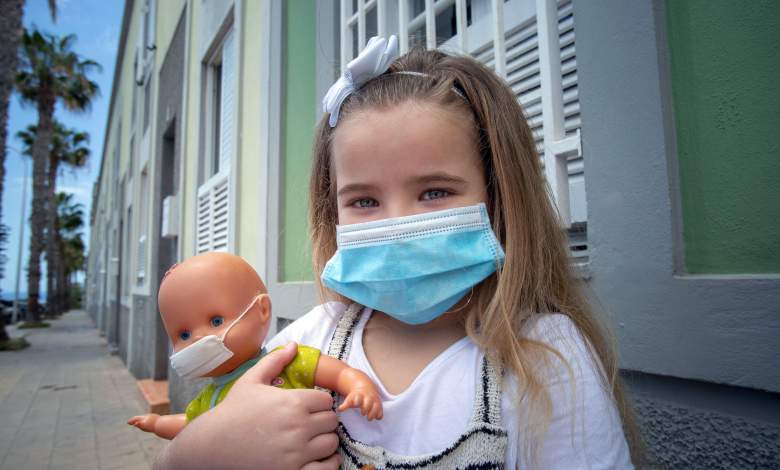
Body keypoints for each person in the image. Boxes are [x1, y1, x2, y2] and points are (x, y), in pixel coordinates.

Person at [156, 36, 640, 469]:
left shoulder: (544, 359)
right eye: (364, 201)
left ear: (499, 196)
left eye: (434, 192)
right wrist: (189, 456)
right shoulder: (310, 340)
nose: (396, 224)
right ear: (334, 213)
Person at [128, 253, 382, 440]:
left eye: (216, 321)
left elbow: (337, 372)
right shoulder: (208, 398)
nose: (196, 338)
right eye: (183, 334)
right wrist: (157, 423)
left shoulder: (285, 361)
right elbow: (190, 424)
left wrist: (359, 386)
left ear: (262, 310)